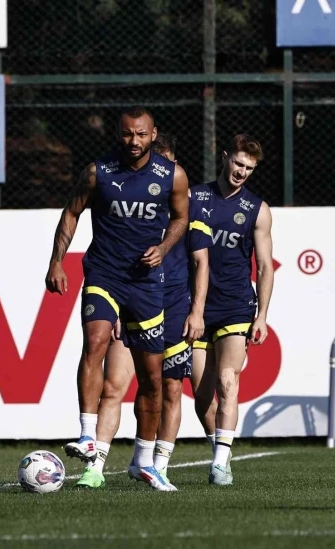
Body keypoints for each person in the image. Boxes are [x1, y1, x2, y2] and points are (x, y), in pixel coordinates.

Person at [45, 107, 189, 492]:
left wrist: (164, 247)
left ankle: (143, 461)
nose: (134, 141)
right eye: (127, 134)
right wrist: (57, 261)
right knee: (94, 341)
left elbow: (181, 218)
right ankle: (87, 434)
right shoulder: (98, 172)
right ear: (118, 133)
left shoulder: (172, 175)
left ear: (153, 134)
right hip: (104, 274)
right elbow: (72, 212)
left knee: (152, 379)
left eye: (141, 134)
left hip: (146, 284)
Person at [73, 133, 214, 489]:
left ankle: (153, 464)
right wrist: (117, 307)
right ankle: (94, 465)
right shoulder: (130, 199)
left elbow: (201, 262)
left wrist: (196, 311)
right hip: (134, 299)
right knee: (114, 385)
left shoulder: (188, 210)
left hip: (174, 306)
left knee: (168, 388)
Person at [190, 134, 274, 486]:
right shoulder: (194, 197)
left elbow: (265, 267)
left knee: (228, 380)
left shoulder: (257, 209)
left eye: (249, 168)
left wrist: (262, 316)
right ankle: (220, 449)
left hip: (236, 305)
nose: (242, 172)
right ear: (225, 157)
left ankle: (220, 464)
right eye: (238, 163)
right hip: (196, 307)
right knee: (201, 398)